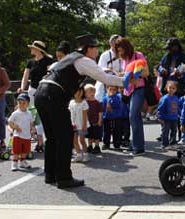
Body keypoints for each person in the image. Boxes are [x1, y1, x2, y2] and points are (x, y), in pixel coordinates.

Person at [34, 34, 123, 189]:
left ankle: (50, 174)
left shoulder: (69, 58)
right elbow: (105, 78)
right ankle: (64, 178)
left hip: (41, 93)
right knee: (65, 136)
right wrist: (127, 81)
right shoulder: (84, 60)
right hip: (53, 95)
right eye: (95, 48)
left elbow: (52, 69)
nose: (97, 51)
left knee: (53, 137)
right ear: (89, 49)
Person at [115, 37, 149, 156]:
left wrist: (136, 77)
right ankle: (135, 145)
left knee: (133, 116)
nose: (120, 53)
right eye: (118, 50)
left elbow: (146, 72)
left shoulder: (138, 55)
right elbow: (126, 74)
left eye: (121, 50)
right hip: (128, 91)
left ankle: (138, 148)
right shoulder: (124, 60)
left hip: (138, 89)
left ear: (127, 47)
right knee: (133, 118)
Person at [18, 41, 54, 153]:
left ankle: (44, 141)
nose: (31, 49)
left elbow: (50, 75)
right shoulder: (30, 62)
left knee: (42, 116)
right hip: (32, 91)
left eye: (32, 48)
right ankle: (39, 142)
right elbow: (25, 76)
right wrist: (21, 87)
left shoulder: (48, 61)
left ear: (38, 50)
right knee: (33, 116)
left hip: (44, 91)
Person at [8, 93, 34, 171]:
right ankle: (14, 163)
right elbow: (10, 121)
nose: (21, 105)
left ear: (28, 104)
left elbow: (31, 122)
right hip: (18, 135)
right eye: (19, 103)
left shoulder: (29, 113)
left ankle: (22, 161)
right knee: (16, 151)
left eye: (24, 103)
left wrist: (32, 129)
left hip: (27, 135)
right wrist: (15, 127)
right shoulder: (15, 113)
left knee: (25, 151)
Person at [96, 34, 122, 102]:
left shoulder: (122, 55)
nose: (116, 44)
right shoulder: (105, 55)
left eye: (118, 42)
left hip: (118, 83)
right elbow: (100, 68)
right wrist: (112, 71)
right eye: (114, 41)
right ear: (110, 43)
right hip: (105, 83)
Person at [69, 88, 90, 163]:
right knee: (74, 141)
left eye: (80, 91)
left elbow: (85, 115)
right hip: (74, 125)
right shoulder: (71, 102)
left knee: (82, 140)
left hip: (81, 125)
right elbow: (70, 114)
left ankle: (86, 154)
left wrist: (84, 125)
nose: (78, 93)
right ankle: (78, 155)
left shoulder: (84, 103)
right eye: (76, 91)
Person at [158, 80, 179, 149]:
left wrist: (179, 114)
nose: (171, 89)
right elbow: (160, 108)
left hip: (174, 118)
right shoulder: (164, 98)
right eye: (170, 87)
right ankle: (164, 144)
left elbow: (178, 107)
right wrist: (160, 117)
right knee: (165, 132)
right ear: (166, 88)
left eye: (173, 88)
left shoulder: (176, 98)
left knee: (174, 131)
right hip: (166, 118)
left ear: (176, 89)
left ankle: (173, 142)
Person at [84, 84, 103, 154]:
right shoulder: (85, 102)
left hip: (95, 121)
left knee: (96, 135)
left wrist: (100, 120)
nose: (92, 93)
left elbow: (100, 112)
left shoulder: (97, 102)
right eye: (89, 92)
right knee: (89, 135)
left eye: (93, 92)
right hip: (88, 122)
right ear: (85, 94)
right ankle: (90, 146)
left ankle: (97, 146)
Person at [102, 85, 121, 150]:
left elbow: (117, 105)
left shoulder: (117, 97)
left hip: (116, 116)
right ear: (107, 89)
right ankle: (106, 143)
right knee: (106, 131)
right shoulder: (105, 98)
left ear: (116, 91)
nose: (112, 91)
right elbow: (103, 107)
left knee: (116, 131)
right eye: (110, 89)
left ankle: (117, 144)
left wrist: (111, 106)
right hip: (107, 117)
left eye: (114, 90)